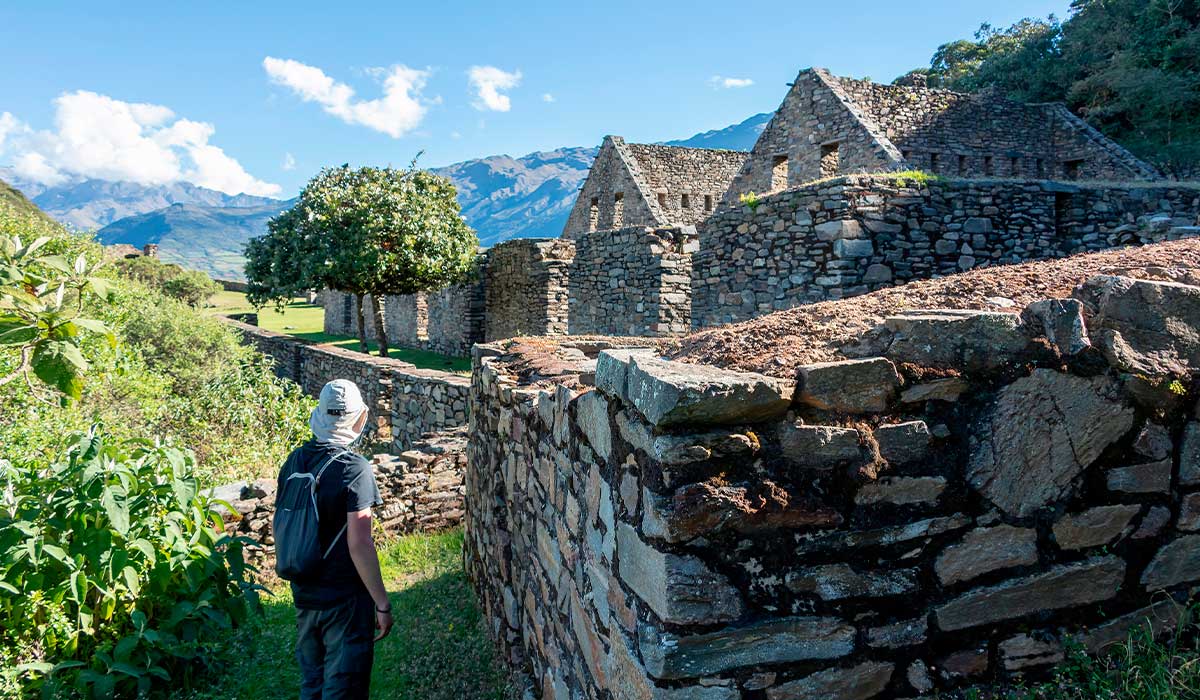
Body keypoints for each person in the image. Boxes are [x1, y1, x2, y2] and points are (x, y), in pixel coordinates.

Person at [278, 379, 393, 699]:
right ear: (357, 419)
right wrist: (382, 604)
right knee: (343, 688)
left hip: (305, 592)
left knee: (312, 684)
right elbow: (359, 544)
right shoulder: (353, 468)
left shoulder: (294, 462)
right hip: (345, 599)